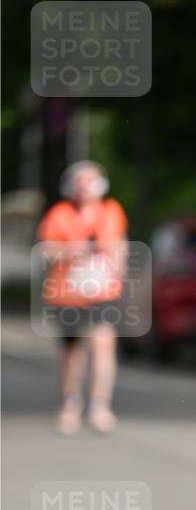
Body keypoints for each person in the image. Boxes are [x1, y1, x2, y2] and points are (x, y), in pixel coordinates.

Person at [37, 160, 128, 434]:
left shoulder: (111, 211)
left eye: (89, 181)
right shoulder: (59, 213)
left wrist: (118, 270)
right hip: (67, 292)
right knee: (72, 351)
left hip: (102, 290)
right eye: (79, 181)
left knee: (103, 344)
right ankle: (70, 402)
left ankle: (100, 406)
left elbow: (119, 245)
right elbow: (46, 250)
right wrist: (74, 251)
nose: (84, 187)